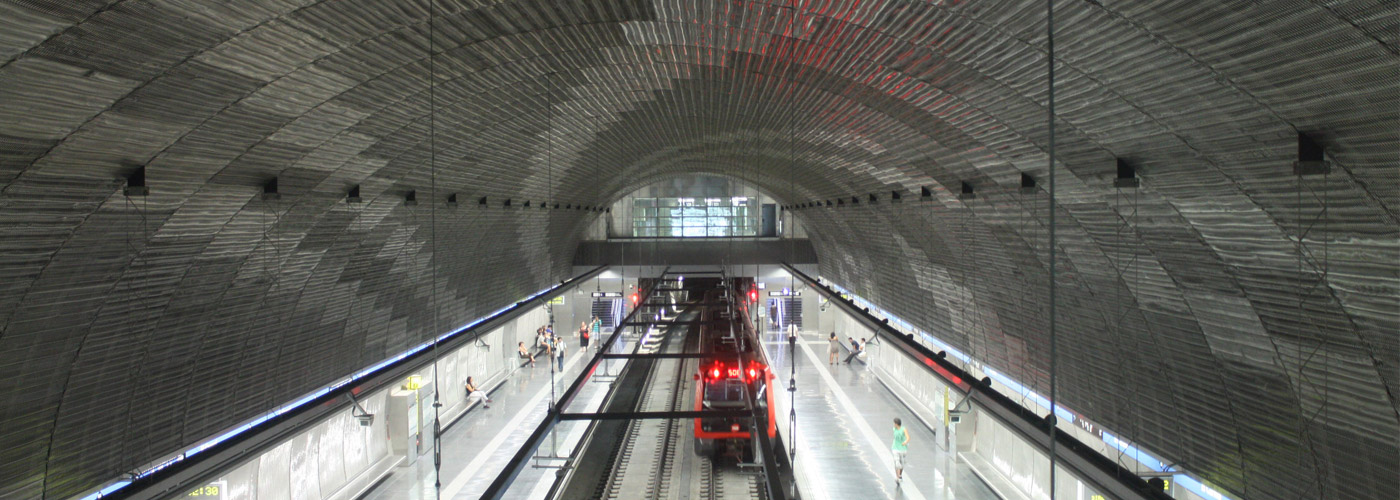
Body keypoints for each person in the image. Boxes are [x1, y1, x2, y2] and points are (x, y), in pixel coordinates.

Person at [892, 417, 909, 484]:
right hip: (895, 448)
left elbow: (908, 437)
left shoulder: (903, 429)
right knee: (897, 462)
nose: (893, 425)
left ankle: (900, 475)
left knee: (901, 463)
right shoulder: (894, 429)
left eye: (894, 423)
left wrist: (905, 442)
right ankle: (898, 477)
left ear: (896, 424)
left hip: (903, 449)